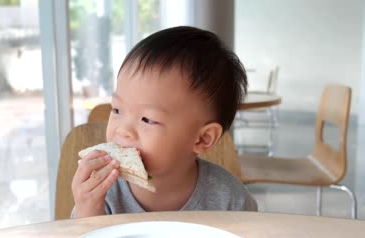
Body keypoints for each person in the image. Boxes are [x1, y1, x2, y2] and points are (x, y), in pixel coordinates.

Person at [71, 26, 257, 218]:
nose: (123, 130)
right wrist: (88, 207)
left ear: (202, 139)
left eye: (147, 119)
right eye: (117, 110)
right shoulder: (104, 190)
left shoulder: (229, 200)